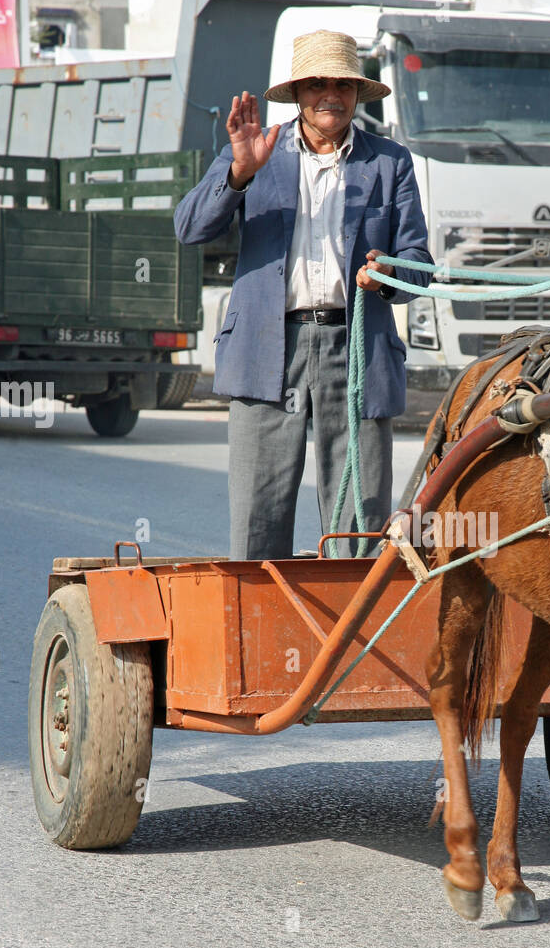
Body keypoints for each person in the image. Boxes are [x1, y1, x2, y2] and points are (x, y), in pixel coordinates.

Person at [174, 29, 432, 558]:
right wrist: (239, 173)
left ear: (358, 93)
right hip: (267, 350)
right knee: (257, 523)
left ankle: (351, 639)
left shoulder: (390, 162)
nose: (329, 96)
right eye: (316, 84)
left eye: (341, 84)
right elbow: (190, 228)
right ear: (297, 93)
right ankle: (268, 637)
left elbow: (419, 266)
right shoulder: (254, 153)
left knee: (360, 527)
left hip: (356, 348)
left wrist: (386, 275)